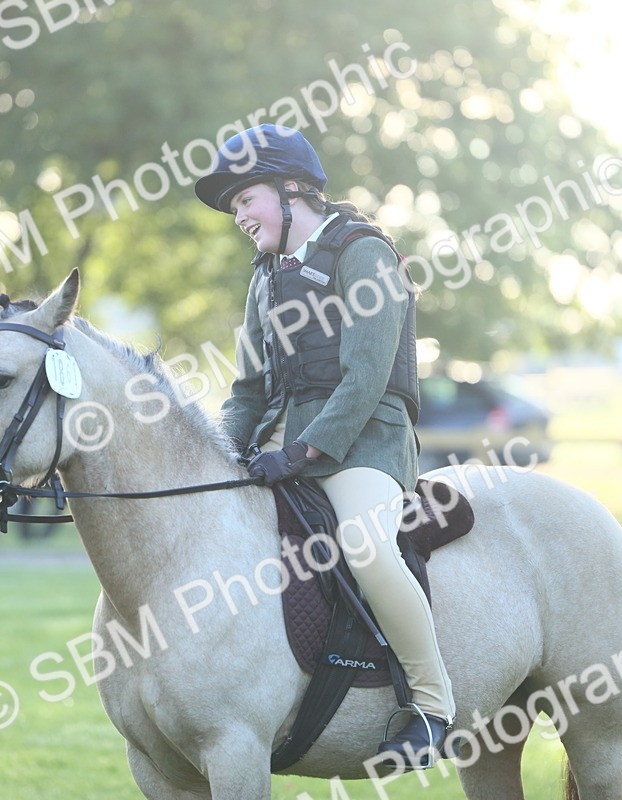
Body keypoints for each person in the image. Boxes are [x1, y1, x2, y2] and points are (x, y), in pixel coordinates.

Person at [195, 125, 456, 768]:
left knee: (365, 545)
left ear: (290, 190)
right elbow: (248, 389)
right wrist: (224, 450)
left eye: (244, 201)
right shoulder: (264, 279)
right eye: (233, 210)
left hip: (366, 443)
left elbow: (366, 378)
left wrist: (306, 451)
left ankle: (431, 705)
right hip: (285, 442)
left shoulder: (363, 252)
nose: (240, 218)